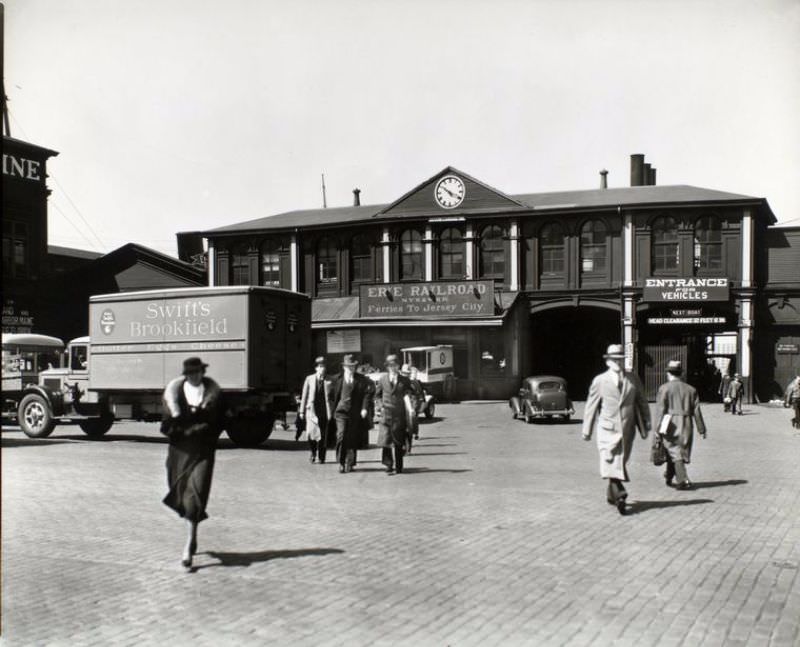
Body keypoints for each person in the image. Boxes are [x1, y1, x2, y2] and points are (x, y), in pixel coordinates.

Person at [160, 357, 223, 569]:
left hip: (203, 452)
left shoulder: (213, 394)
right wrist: (180, 429)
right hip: (179, 452)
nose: (196, 376)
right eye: (192, 373)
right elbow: (166, 424)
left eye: (199, 372)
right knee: (179, 489)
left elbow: (219, 421)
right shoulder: (175, 395)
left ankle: (188, 545)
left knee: (195, 493)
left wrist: (203, 429)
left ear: (203, 373)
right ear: (186, 374)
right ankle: (193, 534)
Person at [582, 344, 651, 515]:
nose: (618, 363)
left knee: (620, 461)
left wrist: (647, 421)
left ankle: (612, 496)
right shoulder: (600, 381)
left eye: (621, 360)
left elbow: (642, 401)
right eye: (615, 360)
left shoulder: (633, 379)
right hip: (607, 428)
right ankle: (620, 493)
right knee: (609, 460)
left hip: (628, 429)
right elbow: (591, 406)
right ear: (608, 361)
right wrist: (587, 429)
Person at [653, 360, 707, 490]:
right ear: (681, 373)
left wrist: (657, 428)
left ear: (668, 373)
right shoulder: (691, 389)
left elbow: (660, 410)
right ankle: (669, 475)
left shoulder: (664, 388)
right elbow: (696, 411)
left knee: (673, 450)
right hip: (687, 423)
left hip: (669, 422)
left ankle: (682, 479)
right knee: (678, 450)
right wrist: (701, 428)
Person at [331, 354, 373, 473]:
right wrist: (332, 409)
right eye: (348, 366)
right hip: (340, 413)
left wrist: (364, 408)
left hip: (354, 413)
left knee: (352, 437)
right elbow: (330, 395)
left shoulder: (361, 380)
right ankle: (341, 462)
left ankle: (350, 463)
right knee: (341, 435)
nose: (351, 369)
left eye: (353, 366)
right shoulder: (337, 379)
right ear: (344, 367)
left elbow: (367, 395)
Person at [375, 356, 413, 474]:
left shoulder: (404, 380)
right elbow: (377, 395)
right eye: (390, 366)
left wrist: (410, 408)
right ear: (387, 367)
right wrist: (380, 406)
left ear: (398, 366)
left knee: (398, 441)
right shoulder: (382, 379)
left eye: (395, 365)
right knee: (386, 440)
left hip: (399, 414)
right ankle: (388, 465)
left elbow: (408, 393)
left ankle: (399, 466)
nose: (393, 368)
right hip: (386, 413)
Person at [299, 356, 335, 464]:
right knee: (311, 433)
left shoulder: (330, 380)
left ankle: (322, 456)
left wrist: (332, 408)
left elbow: (333, 396)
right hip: (312, 411)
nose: (322, 369)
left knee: (323, 435)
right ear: (316, 368)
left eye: (323, 366)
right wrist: (301, 411)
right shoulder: (309, 379)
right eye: (320, 366)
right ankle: (313, 452)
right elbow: (304, 395)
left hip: (325, 411)